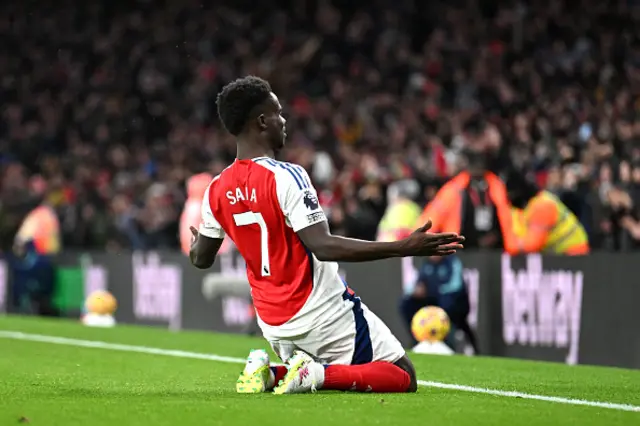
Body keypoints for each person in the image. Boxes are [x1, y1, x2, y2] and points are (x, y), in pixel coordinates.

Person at [189, 76, 465, 395]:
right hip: (318, 310)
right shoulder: (286, 176)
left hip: (273, 322)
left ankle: (268, 373)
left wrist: (197, 244)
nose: (284, 120)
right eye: (278, 113)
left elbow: (201, 259)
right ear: (262, 121)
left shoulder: (215, 190)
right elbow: (323, 246)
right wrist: (405, 247)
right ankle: (313, 375)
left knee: (340, 365)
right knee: (401, 374)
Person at [399, 255, 479, 354]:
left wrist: (433, 291)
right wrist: (416, 290)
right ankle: (418, 339)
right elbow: (416, 284)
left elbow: (455, 285)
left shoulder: (452, 262)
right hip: (432, 300)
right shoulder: (427, 264)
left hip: (455, 304)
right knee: (407, 304)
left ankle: (448, 342)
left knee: (447, 301)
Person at [505, 170, 590, 255]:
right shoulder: (523, 209)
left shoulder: (542, 206)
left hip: (574, 253)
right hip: (559, 256)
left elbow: (531, 245)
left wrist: (513, 245)